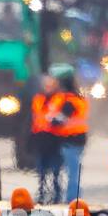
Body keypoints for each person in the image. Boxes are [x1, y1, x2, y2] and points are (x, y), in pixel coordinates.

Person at [49, 70, 90, 203]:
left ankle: (72, 199)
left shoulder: (69, 102)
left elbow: (60, 120)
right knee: (74, 171)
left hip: (70, 140)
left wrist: (50, 119)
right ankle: (73, 197)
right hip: (78, 140)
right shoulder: (78, 98)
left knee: (72, 172)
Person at [31, 73, 63, 203]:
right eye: (46, 85)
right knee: (41, 170)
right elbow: (35, 119)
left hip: (54, 138)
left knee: (56, 170)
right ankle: (42, 193)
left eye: (50, 85)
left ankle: (57, 194)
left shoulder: (60, 99)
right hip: (41, 138)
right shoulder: (38, 99)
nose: (48, 87)